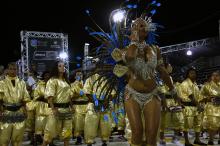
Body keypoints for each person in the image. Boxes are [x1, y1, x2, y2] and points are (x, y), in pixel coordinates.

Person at [111, 17, 175, 146]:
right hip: (133, 94)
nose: (142, 28)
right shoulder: (126, 50)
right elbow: (129, 57)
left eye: (143, 25)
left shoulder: (155, 49)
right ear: (132, 29)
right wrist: (134, 41)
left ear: (148, 30)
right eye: (137, 26)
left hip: (152, 94)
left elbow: (162, 71)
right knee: (137, 131)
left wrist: (173, 89)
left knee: (152, 133)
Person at [41, 61, 73, 146]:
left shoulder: (66, 81)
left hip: (67, 109)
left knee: (67, 133)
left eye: (63, 66)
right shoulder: (52, 80)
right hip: (56, 109)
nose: (63, 67)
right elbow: (50, 96)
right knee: (49, 133)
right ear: (56, 68)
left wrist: (71, 106)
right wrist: (53, 108)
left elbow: (68, 96)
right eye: (60, 66)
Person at [0, 62, 30, 146]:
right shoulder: (2, 83)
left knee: (17, 139)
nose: (13, 71)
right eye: (10, 69)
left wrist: (25, 109)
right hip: (6, 112)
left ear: (17, 70)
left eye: (14, 69)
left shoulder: (22, 82)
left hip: (19, 112)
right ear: (7, 70)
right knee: (4, 139)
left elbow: (25, 98)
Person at [83, 73, 115, 146]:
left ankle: (105, 141)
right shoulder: (90, 78)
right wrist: (96, 102)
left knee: (106, 124)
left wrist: (106, 101)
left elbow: (112, 92)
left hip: (105, 107)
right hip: (93, 106)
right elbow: (87, 92)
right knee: (90, 124)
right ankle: (89, 142)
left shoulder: (107, 79)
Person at [177, 68, 206, 146]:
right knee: (187, 125)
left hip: (196, 106)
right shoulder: (185, 83)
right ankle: (187, 141)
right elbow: (191, 96)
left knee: (198, 124)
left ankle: (197, 139)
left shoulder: (195, 84)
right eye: (191, 73)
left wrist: (201, 103)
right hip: (188, 106)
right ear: (187, 74)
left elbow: (198, 96)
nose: (193, 74)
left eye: (194, 73)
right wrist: (199, 105)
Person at [159, 63, 184, 145]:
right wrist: (165, 104)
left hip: (173, 101)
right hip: (164, 101)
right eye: (169, 66)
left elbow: (174, 91)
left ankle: (175, 138)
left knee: (177, 120)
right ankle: (161, 138)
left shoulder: (170, 77)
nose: (171, 68)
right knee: (162, 122)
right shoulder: (161, 77)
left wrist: (179, 102)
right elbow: (162, 92)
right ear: (165, 68)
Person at [200, 71, 220, 145]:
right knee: (211, 124)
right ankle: (211, 140)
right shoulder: (206, 86)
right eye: (213, 75)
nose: (215, 77)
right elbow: (200, 96)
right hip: (211, 107)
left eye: (217, 75)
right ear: (211, 77)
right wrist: (207, 99)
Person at [32, 71, 51, 145]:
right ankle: (38, 140)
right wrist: (43, 98)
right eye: (46, 75)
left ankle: (50, 142)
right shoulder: (39, 85)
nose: (47, 77)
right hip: (41, 107)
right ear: (43, 76)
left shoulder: (53, 84)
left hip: (50, 107)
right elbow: (35, 96)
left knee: (50, 125)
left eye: (49, 75)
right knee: (39, 124)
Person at [71, 70, 88, 145]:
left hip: (86, 105)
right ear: (75, 76)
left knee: (86, 123)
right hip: (77, 106)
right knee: (78, 123)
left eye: (81, 74)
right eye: (78, 74)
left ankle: (87, 138)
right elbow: (70, 96)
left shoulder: (86, 84)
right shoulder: (72, 85)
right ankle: (78, 138)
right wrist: (79, 94)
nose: (79, 76)